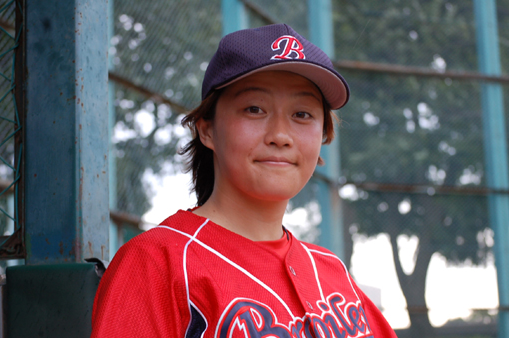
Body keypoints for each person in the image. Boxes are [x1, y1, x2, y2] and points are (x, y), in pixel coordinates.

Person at [91, 23, 398, 338]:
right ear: (207, 130)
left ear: (323, 136)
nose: (280, 135)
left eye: (302, 114)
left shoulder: (331, 271)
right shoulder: (157, 262)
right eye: (254, 109)